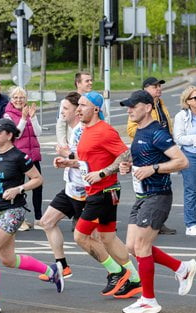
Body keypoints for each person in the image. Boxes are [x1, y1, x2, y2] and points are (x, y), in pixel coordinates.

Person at [0, 118, 63, 313]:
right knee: (9, 260)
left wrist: (19, 188)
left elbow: (38, 179)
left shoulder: (19, 157)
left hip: (14, 211)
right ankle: (51, 271)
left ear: (9, 135)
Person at [56, 92, 141, 298]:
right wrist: (69, 162)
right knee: (108, 238)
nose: (78, 109)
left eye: (83, 105)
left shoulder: (104, 130)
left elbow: (125, 154)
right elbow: (88, 161)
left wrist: (103, 173)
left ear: (95, 109)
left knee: (80, 236)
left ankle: (116, 272)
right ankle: (135, 280)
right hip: (97, 190)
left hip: (104, 191)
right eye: (78, 106)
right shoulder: (85, 130)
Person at [119, 90, 196, 313]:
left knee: (142, 247)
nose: (129, 110)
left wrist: (153, 168)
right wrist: (128, 167)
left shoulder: (158, 133)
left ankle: (149, 300)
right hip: (142, 197)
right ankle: (181, 268)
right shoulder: (139, 132)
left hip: (158, 196)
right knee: (132, 247)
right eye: (128, 106)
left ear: (147, 107)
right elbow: (142, 160)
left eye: (133, 106)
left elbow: (182, 161)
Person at [39, 92, 85, 280]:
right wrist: (64, 159)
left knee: (95, 241)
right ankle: (62, 267)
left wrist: (68, 156)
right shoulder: (72, 130)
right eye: (61, 109)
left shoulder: (81, 131)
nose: (62, 113)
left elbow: (86, 161)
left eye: (65, 109)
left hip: (85, 191)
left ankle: (121, 272)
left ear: (77, 111)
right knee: (47, 222)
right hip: (71, 187)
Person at [127, 77, 175, 235]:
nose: (159, 89)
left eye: (159, 86)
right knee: (135, 245)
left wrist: (163, 137)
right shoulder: (139, 110)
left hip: (162, 148)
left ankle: (157, 221)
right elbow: (130, 130)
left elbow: (166, 123)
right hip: (149, 148)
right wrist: (148, 135)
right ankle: (153, 219)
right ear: (146, 89)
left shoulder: (160, 104)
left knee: (140, 244)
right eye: (155, 86)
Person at [4, 86, 43, 231]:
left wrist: (32, 118)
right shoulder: (8, 115)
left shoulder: (29, 111)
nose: (19, 100)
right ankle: (18, 219)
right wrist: (23, 118)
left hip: (33, 155)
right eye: (15, 97)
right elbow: (16, 135)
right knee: (18, 187)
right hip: (18, 157)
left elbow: (38, 132)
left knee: (38, 186)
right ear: (11, 99)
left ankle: (39, 218)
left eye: (21, 97)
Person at [173, 86, 196, 236]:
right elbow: (178, 138)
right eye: (195, 98)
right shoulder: (182, 116)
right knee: (191, 191)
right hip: (190, 156)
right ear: (187, 101)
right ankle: (191, 224)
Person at [56, 72, 92, 146]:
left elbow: (104, 118)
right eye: (87, 81)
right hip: (73, 143)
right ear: (78, 84)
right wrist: (64, 145)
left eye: (91, 80)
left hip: (91, 141)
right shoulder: (66, 102)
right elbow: (61, 124)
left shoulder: (96, 101)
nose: (90, 83)